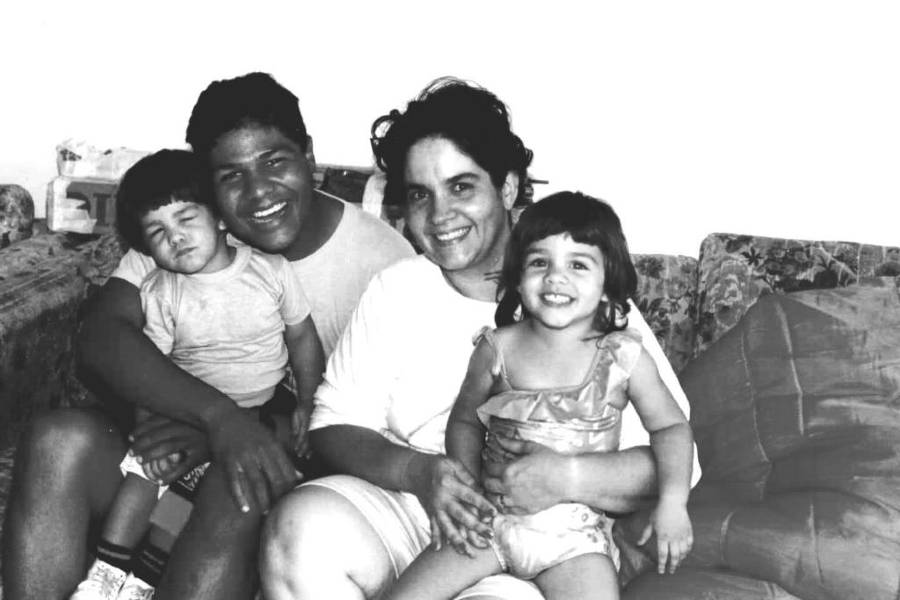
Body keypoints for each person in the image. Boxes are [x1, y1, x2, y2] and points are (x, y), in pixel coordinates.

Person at [260, 77, 700, 600]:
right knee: (300, 530)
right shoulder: (399, 287)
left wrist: (566, 478)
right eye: (421, 194)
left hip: (542, 539)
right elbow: (333, 425)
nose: (440, 216)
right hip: (413, 507)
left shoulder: (583, 298)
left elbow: (676, 460)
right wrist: (421, 472)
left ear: (508, 187)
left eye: (462, 187)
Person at [1, 72, 413, 600]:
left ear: (309, 157)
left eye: (275, 162)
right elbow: (103, 341)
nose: (258, 192)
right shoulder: (187, 236)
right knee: (57, 440)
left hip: (289, 468)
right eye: (231, 175)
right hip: (173, 444)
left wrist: (247, 429)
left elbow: (383, 433)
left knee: (244, 481)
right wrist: (214, 416)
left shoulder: (381, 264)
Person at [384, 192, 694, 600]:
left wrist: (674, 501)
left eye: (578, 265)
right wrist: (470, 485)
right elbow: (464, 421)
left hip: (573, 543)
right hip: (491, 524)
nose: (555, 277)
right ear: (516, 276)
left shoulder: (623, 357)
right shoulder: (496, 349)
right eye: (539, 262)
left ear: (608, 284)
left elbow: (671, 427)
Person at [69, 148, 325, 600]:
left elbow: (302, 339)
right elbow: (148, 366)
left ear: (221, 218)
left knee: (196, 499)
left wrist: (308, 403)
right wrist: (151, 431)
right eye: (158, 233)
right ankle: (106, 575)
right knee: (146, 478)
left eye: (186, 219)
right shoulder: (161, 290)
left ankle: (145, 580)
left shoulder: (271, 271)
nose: (176, 238)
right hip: (187, 411)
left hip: (263, 410)